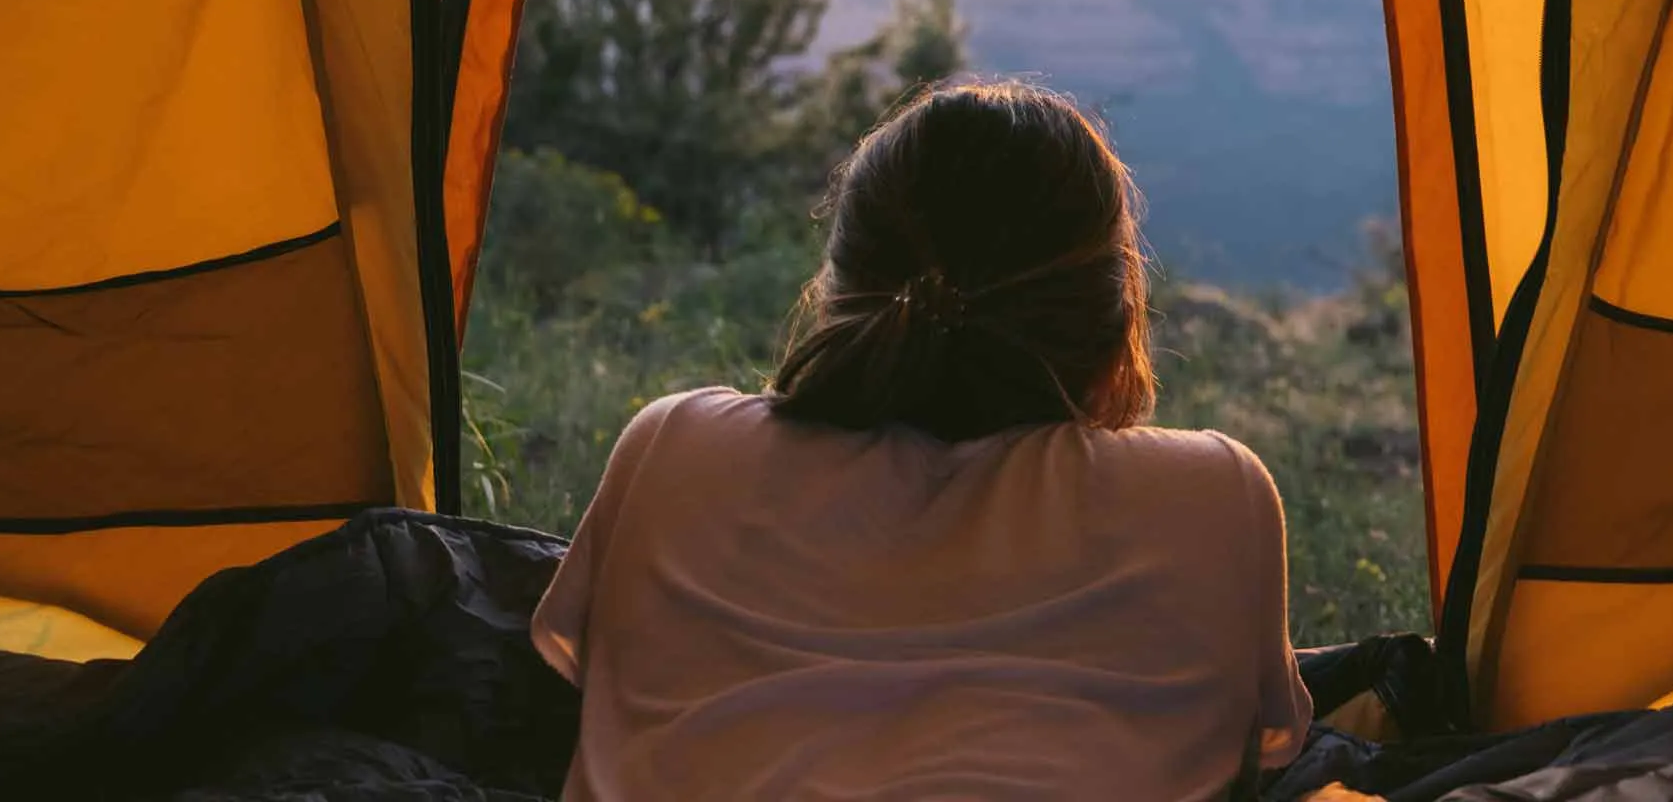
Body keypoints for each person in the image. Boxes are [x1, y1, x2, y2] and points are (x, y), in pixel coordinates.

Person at [532, 80, 1311, 800]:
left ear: (840, 290)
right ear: (1112, 315)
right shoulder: (1210, 498)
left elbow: (583, 687)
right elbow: (1260, 750)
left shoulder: (679, 449)